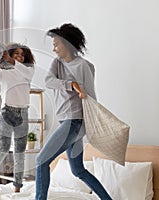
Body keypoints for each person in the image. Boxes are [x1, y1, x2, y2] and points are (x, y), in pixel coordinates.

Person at [35, 23, 112, 200]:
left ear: (67, 43)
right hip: (68, 122)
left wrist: (92, 122)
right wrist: (70, 85)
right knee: (78, 170)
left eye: (56, 45)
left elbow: (90, 96)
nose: (54, 49)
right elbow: (48, 81)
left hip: (75, 122)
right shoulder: (58, 63)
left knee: (41, 161)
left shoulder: (85, 66)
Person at [0, 43, 35, 194]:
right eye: (16, 53)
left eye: (22, 54)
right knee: (3, 149)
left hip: (23, 114)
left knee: (19, 153)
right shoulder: (4, 72)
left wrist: (11, 61)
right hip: (6, 113)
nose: (20, 56)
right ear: (10, 54)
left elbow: (28, 74)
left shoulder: (27, 70)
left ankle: (17, 189)